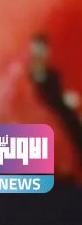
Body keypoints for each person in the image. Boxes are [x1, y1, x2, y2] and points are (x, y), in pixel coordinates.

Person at [29, 34, 82, 163]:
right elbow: (46, 98)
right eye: (37, 50)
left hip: (65, 120)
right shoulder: (36, 74)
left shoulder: (52, 73)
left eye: (42, 49)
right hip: (54, 123)